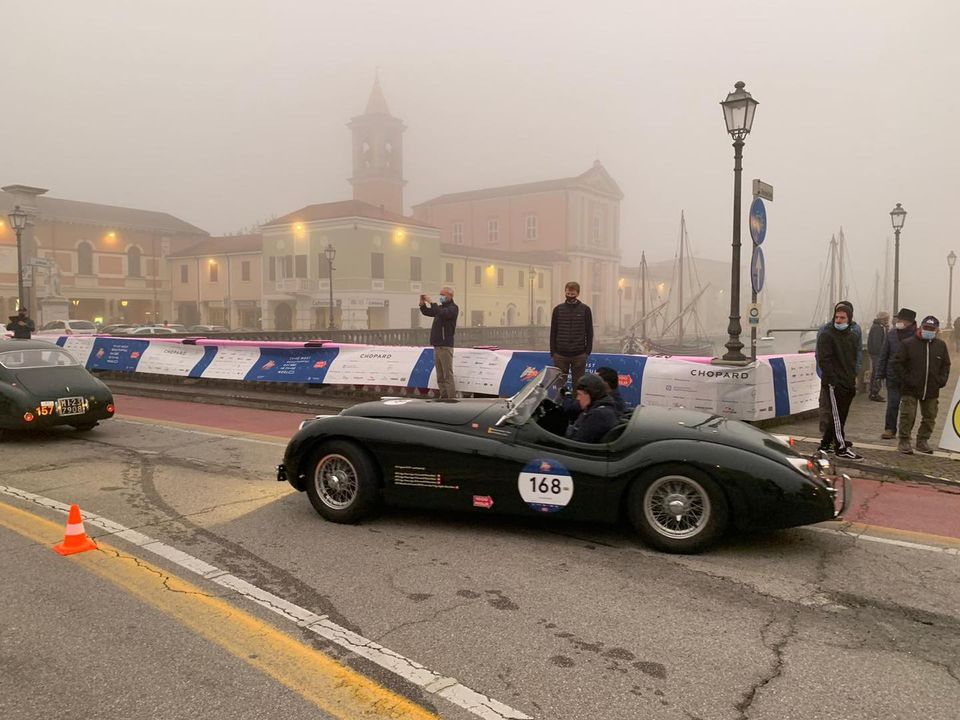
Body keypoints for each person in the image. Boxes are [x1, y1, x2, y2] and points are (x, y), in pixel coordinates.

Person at [893, 315, 951, 454]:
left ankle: (922, 440)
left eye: (932, 328)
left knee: (930, 416)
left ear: (937, 330)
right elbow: (897, 364)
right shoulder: (908, 344)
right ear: (921, 327)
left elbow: (945, 365)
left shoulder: (940, 346)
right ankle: (904, 440)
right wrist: (907, 379)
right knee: (908, 415)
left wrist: (940, 381)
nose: (928, 330)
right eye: (926, 328)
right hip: (910, 388)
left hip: (931, 388)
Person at [816, 303, 862, 459]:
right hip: (833, 383)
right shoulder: (827, 335)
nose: (839, 320)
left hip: (848, 381)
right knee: (836, 417)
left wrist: (852, 378)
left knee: (841, 416)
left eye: (843, 317)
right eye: (837, 317)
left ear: (849, 319)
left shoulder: (852, 336)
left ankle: (825, 444)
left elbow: (853, 359)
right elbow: (824, 360)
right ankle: (841, 448)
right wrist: (833, 380)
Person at [876, 308, 917, 440]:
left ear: (909, 321)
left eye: (900, 319)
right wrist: (879, 373)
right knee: (892, 404)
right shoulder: (892, 334)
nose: (897, 321)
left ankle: (906, 432)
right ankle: (889, 429)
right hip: (892, 375)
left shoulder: (917, 336)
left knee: (909, 407)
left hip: (910, 377)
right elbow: (884, 354)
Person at [550, 281, 594, 389]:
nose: (569, 296)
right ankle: (560, 404)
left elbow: (589, 332)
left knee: (579, 385)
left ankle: (576, 405)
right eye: (568, 294)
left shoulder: (585, 310)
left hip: (579, 354)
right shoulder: (557, 310)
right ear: (565, 292)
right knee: (560, 386)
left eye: (572, 294)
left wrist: (587, 352)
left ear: (578, 294)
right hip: (560, 354)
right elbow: (553, 331)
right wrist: (553, 352)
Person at [419, 286, 459, 400]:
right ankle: (443, 396)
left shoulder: (453, 308)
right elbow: (428, 312)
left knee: (447, 375)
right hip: (437, 345)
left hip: (445, 346)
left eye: (443, 295)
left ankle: (451, 398)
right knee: (440, 376)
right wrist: (422, 304)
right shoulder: (440, 308)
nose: (441, 296)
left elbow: (442, 313)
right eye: (440, 294)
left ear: (450, 296)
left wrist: (431, 302)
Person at [565, 374, 619, 443]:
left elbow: (578, 442)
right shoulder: (602, 408)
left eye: (579, 394)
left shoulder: (598, 415)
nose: (578, 398)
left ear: (591, 393)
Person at [867, 310, 890, 401]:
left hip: (876, 354)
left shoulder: (879, 327)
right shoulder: (877, 328)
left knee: (876, 373)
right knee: (877, 373)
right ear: (883, 319)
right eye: (886, 319)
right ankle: (874, 393)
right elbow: (877, 343)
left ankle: (873, 392)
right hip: (877, 355)